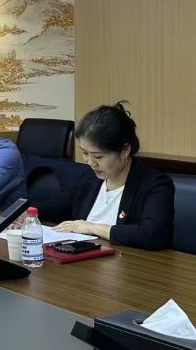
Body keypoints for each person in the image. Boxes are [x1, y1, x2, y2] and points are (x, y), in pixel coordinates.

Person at [55, 102, 173, 250]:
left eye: (98, 157)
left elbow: (151, 235)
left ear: (124, 151)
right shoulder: (89, 179)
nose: (90, 162)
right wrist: (29, 211)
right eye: (85, 153)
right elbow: (59, 205)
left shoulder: (155, 185)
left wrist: (91, 227)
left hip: (130, 262)